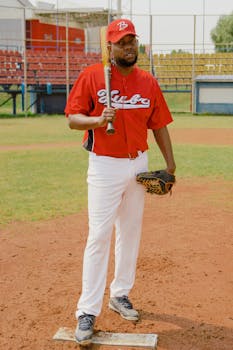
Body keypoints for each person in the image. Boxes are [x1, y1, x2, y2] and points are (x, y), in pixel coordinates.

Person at [65, 18, 176, 346]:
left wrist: (170, 166)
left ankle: (120, 294)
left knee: (130, 233)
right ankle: (87, 310)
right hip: (104, 167)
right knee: (98, 236)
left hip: (137, 164)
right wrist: (98, 120)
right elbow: (73, 118)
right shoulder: (92, 76)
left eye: (133, 41)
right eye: (122, 42)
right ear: (109, 46)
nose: (129, 47)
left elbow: (160, 126)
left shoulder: (148, 82)